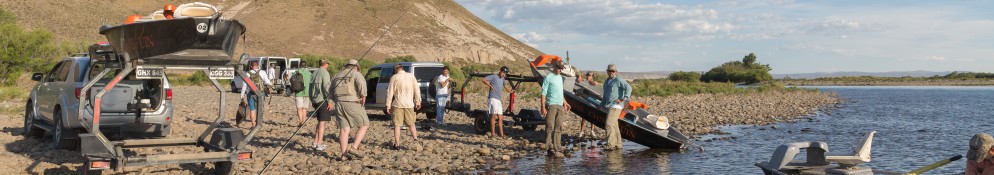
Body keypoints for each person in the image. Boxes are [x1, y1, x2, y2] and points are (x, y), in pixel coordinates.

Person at [331, 59, 370, 159]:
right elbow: (362, 84)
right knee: (364, 124)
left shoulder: (337, 75)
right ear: (356, 66)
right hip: (352, 102)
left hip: (339, 104)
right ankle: (354, 147)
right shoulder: (356, 73)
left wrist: (335, 100)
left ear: (347, 65)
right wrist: (363, 96)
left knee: (344, 130)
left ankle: (344, 155)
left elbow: (329, 89)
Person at [387, 63, 422, 149]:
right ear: (402, 68)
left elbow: (390, 92)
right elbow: (416, 89)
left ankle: (397, 144)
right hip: (409, 104)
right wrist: (418, 101)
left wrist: (388, 105)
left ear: (395, 70)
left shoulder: (394, 77)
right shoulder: (411, 76)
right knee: (411, 124)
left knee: (397, 125)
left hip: (398, 104)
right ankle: (415, 139)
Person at [541, 60, 570, 158]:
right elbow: (543, 93)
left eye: (561, 68)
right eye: (559, 68)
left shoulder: (560, 78)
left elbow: (560, 93)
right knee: (550, 126)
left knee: (559, 127)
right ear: (555, 67)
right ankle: (549, 147)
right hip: (551, 105)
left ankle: (558, 146)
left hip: (560, 106)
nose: (560, 70)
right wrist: (543, 107)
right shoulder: (548, 77)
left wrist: (565, 103)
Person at [600, 64, 631, 150]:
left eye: (613, 71)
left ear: (616, 72)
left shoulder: (618, 79)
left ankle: (610, 144)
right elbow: (605, 95)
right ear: (607, 71)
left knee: (609, 124)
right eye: (609, 71)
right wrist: (601, 105)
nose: (611, 72)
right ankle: (618, 144)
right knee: (614, 125)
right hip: (609, 105)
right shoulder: (606, 82)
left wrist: (624, 99)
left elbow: (628, 87)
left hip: (616, 106)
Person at [482, 66, 513, 139]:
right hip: (493, 98)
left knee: (500, 117)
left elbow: (506, 87)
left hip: (498, 99)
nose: (504, 74)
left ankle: (501, 134)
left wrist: (511, 91)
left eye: (505, 73)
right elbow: (483, 79)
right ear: (500, 71)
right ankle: (493, 133)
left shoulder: (503, 79)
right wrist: (490, 85)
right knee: (494, 116)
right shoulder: (494, 76)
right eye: (503, 73)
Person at [309, 60, 334, 151]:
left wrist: (311, 99)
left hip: (315, 101)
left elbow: (310, 87)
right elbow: (326, 87)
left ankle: (315, 142)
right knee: (322, 122)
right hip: (322, 100)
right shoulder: (325, 73)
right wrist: (330, 101)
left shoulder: (314, 72)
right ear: (326, 64)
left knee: (320, 121)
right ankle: (319, 144)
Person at [239, 61, 272, 128]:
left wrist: (242, 95)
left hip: (251, 94)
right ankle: (259, 124)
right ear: (258, 65)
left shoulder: (247, 74)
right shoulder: (262, 72)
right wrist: (270, 86)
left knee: (252, 109)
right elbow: (268, 82)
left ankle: (253, 125)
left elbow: (244, 86)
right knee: (259, 109)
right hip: (260, 93)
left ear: (251, 66)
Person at [578, 71, 600, 139]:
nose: (588, 76)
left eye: (590, 76)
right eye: (588, 75)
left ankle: (592, 131)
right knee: (584, 117)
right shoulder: (584, 82)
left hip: (593, 102)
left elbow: (595, 83)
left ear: (592, 77)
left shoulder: (594, 83)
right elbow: (579, 81)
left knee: (592, 117)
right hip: (585, 101)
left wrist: (589, 81)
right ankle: (581, 132)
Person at [291, 61, 311, 126]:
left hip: (298, 92)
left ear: (299, 65)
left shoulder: (295, 72)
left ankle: (300, 121)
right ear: (306, 66)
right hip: (307, 93)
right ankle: (304, 121)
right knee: (304, 108)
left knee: (299, 108)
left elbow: (290, 80)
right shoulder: (309, 73)